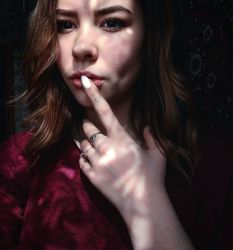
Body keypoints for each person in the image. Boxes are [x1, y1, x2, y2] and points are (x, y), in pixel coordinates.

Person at [0, 0, 198, 249]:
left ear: (151, 35)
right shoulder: (20, 161)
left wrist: (146, 204)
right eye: (65, 25)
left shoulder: (216, 164)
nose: (81, 47)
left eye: (111, 23)